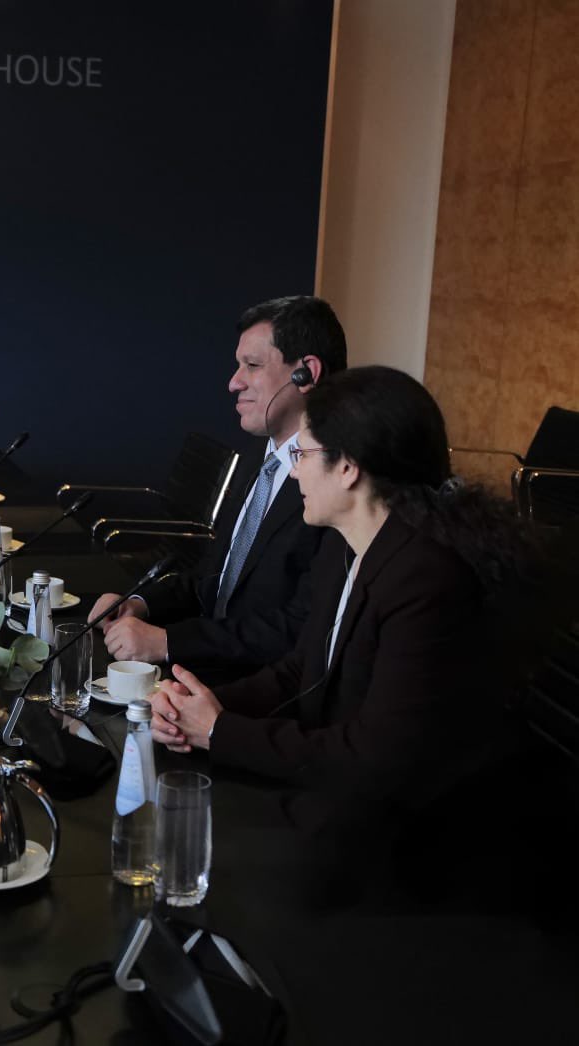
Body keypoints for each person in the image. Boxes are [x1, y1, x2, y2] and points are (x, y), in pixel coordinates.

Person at [148, 367, 536, 879]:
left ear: (348, 467)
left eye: (303, 456)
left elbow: (376, 758)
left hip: (410, 850)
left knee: (176, 853)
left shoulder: (426, 580)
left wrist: (220, 731)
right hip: (335, 797)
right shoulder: (344, 545)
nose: (294, 474)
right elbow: (301, 670)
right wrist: (196, 707)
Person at [90, 295, 347, 684]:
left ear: (306, 373)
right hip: (201, 668)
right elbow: (214, 577)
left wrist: (167, 642)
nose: (233, 382)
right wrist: (140, 604)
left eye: (253, 366)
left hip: (257, 692)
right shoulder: (258, 459)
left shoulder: (337, 484)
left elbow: (300, 628)